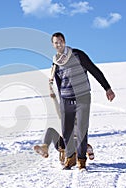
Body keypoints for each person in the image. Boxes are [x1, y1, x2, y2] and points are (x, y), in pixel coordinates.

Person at [50, 32, 115, 170]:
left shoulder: (78, 55)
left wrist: (107, 88)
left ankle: (81, 160)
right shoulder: (55, 62)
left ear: (64, 41)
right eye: (55, 42)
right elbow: (59, 83)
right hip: (66, 100)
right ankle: (70, 158)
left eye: (60, 41)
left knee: (81, 129)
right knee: (66, 130)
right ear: (53, 45)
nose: (58, 44)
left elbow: (94, 70)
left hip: (82, 97)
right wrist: (62, 101)